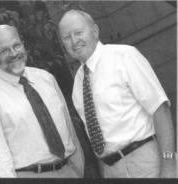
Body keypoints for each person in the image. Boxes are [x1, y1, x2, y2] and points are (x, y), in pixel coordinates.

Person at [58, 10, 176, 178]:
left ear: (95, 31)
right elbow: (96, 136)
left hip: (145, 162)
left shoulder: (124, 57)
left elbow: (160, 110)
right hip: (111, 170)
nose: (74, 41)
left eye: (78, 32)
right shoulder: (78, 82)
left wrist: (169, 165)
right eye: (67, 37)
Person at [0, 25, 84, 178]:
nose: (14, 54)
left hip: (70, 170)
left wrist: (78, 170)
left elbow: (69, 129)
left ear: (23, 44)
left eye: (16, 45)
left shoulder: (46, 78)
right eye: (4, 51)